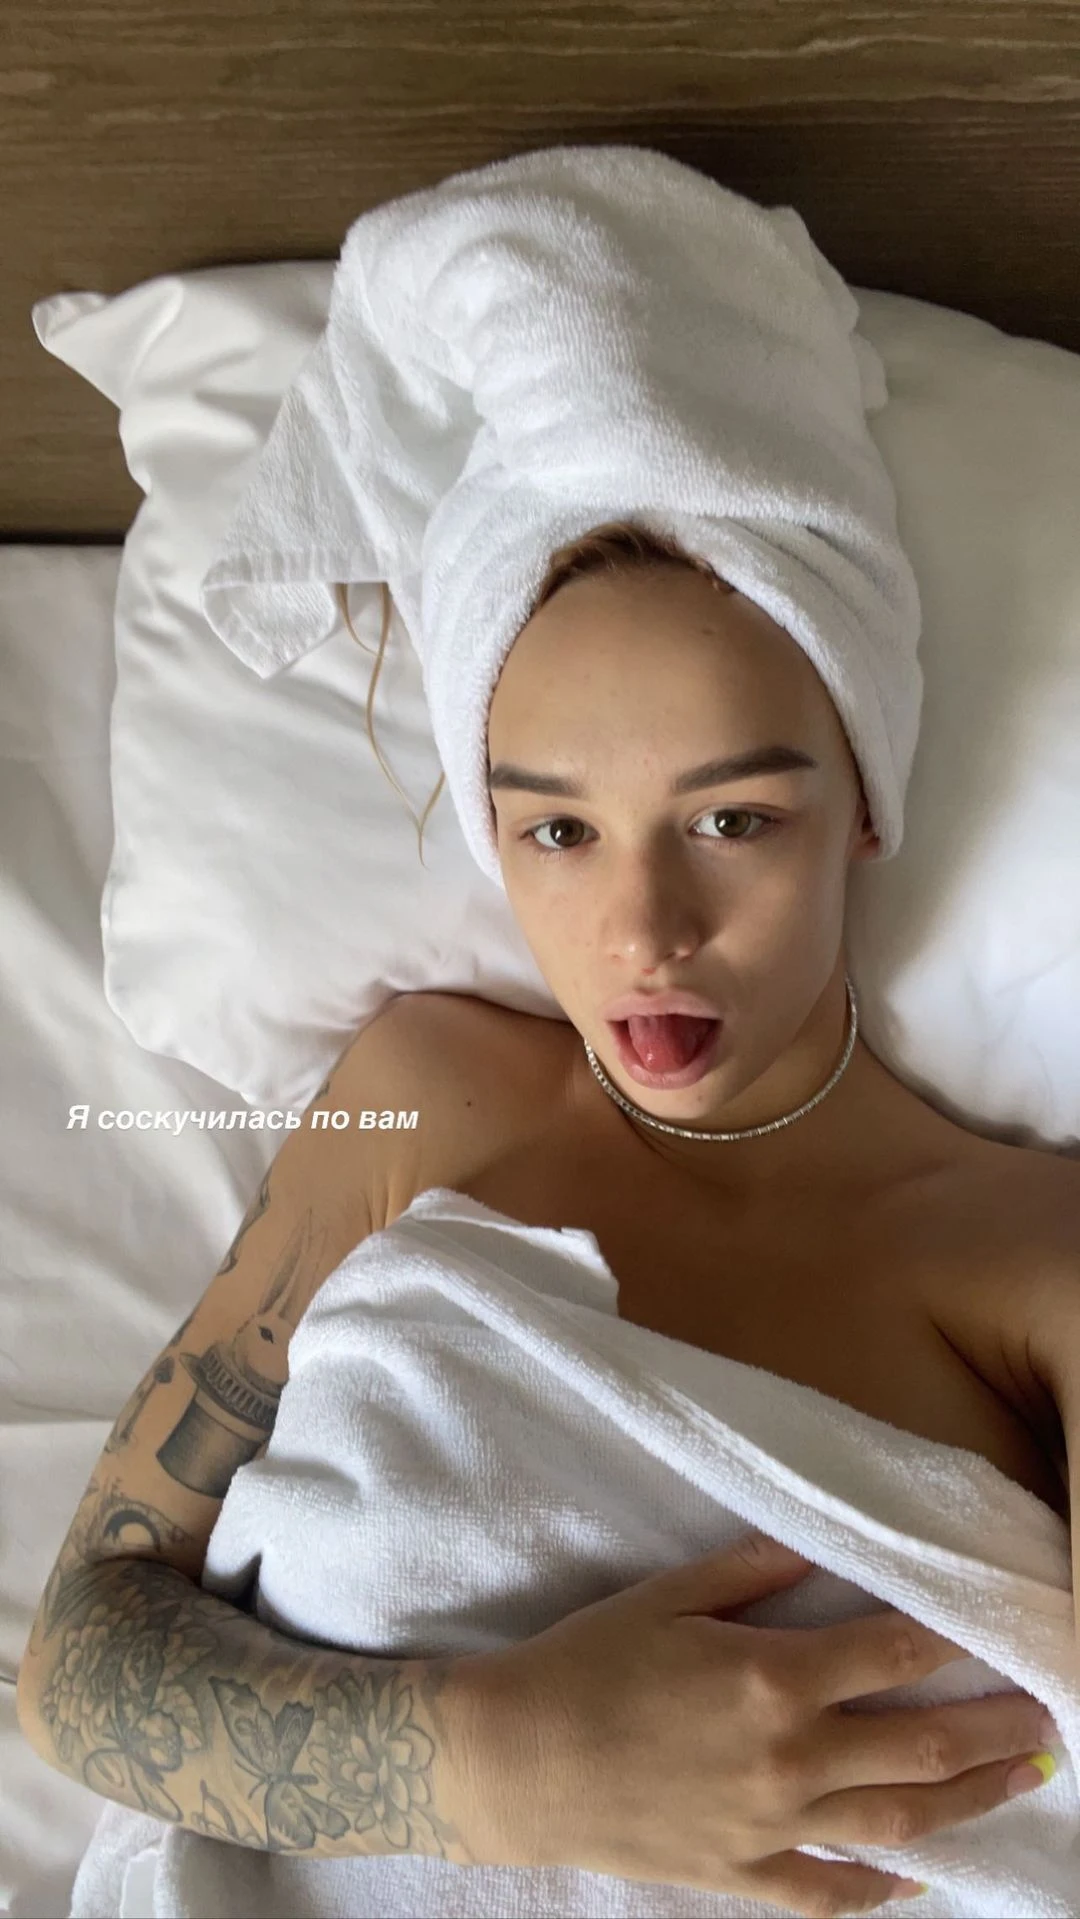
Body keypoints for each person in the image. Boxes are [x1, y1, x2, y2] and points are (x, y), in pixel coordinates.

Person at [17, 526, 1069, 1919]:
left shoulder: (1032, 1250)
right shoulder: (426, 1099)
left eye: (732, 819)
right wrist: (512, 1768)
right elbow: (80, 1661)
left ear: (863, 802)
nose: (644, 932)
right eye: (560, 832)